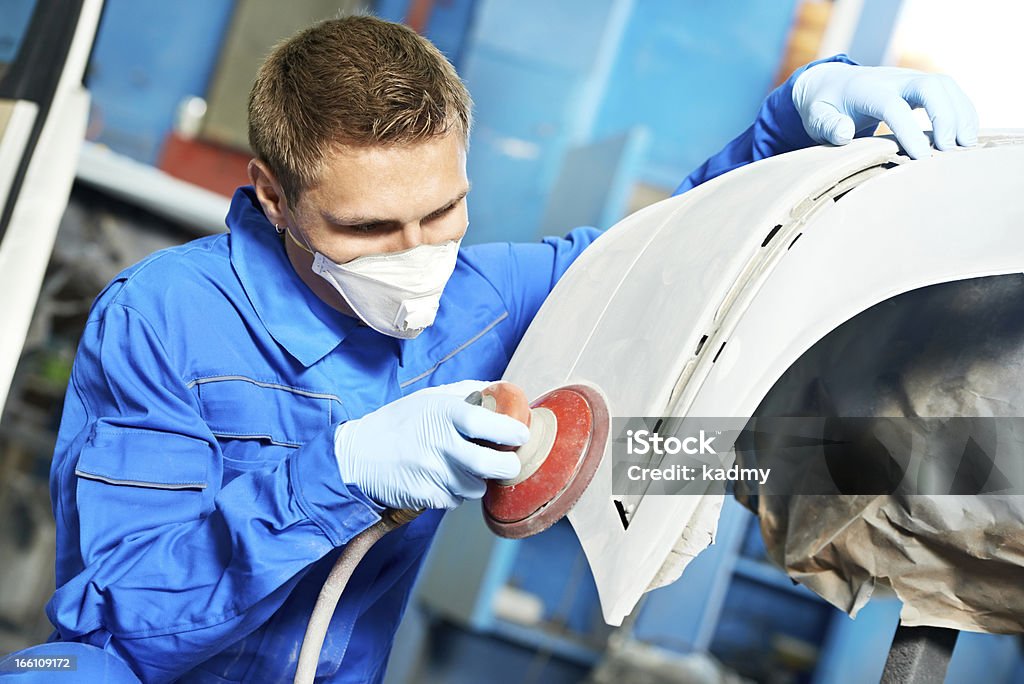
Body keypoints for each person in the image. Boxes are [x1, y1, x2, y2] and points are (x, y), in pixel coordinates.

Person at [35, 14, 976, 684]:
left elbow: (661, 258)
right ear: (274, 198)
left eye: (442, 210)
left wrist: (793, 115)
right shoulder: (164, 319)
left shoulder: (485, 296)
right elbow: (128, 621)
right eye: (367, 226)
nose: (416, 257)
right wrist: (344, 473)